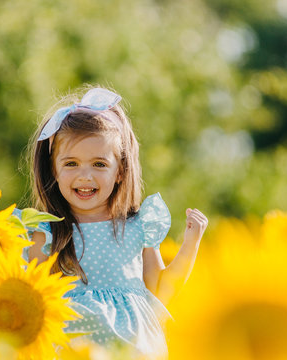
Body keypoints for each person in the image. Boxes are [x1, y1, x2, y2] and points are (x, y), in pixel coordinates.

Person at [23, 86, 207, 358]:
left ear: (120, 171)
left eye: (99, 164)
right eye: (71, 163)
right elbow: (31, 299)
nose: (85, 176)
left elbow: (161, 290)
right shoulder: (47, 232)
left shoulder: (137, 226)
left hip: (134, 349)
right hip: (71, 349)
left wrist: (191, 243)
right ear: (54, 170)